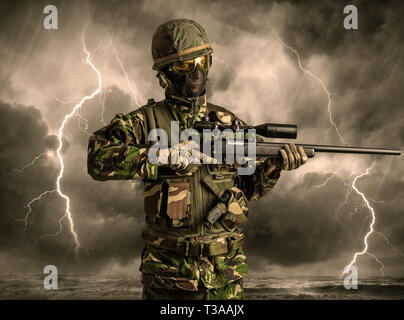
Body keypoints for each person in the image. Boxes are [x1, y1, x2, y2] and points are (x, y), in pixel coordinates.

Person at [87, 19, 309, 300]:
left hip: (225, 277)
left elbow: (250, 188)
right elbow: (96, 157)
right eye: (183, 65)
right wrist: (160, 155)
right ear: (163, 73)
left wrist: (275, 167)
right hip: (169, 277)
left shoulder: (230, 123)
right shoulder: (147, 121)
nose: (196, 73)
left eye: (202, 61)